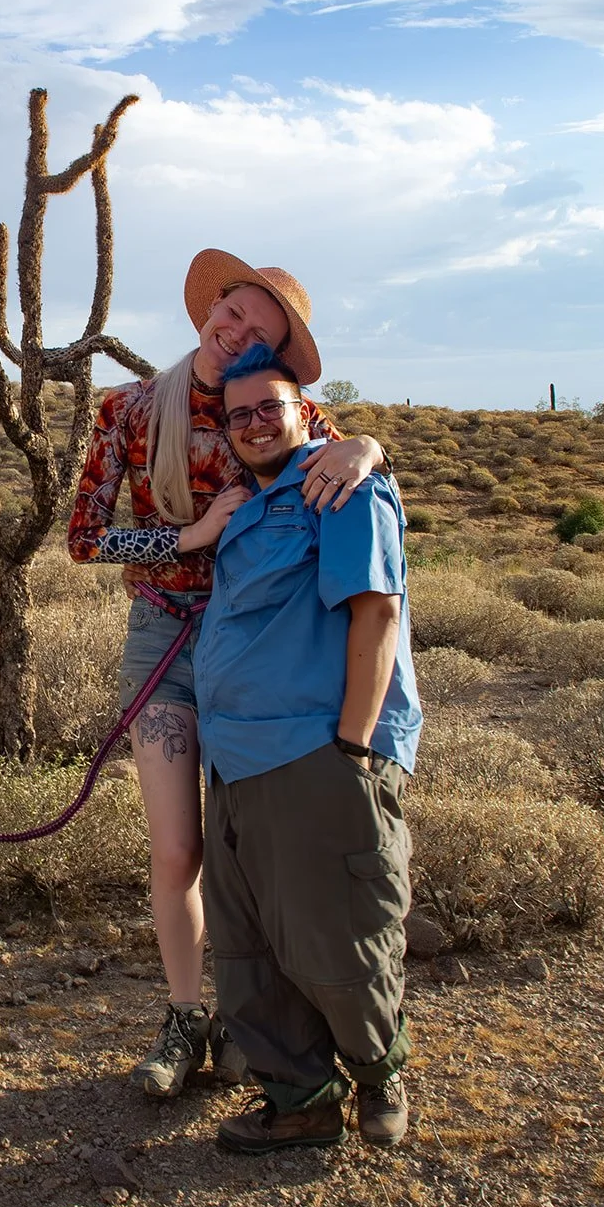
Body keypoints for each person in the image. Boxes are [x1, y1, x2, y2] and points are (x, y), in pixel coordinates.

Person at [68, 249, 389, 1098]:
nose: (235, 328)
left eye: (258, 326)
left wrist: (364, 445)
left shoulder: (286, 414)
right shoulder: (131, 409)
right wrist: (187, 536)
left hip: (267, 652)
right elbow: (83, 539)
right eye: (233, 310)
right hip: (166, 641)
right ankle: (184, 1018)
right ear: (210, 306)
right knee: (178, 847)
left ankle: (265, 1023)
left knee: (253, 852)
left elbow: (352, 472)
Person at [194, 339, 421, 1152]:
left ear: (304, 413)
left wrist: (353, 747)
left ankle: (377, 1078)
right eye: (239, 414)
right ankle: (301, 1101)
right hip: (234, 759)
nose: (255, 423)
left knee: (340, 935)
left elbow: (375, 612)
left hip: (312, 755)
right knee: (249, 946)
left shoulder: (342, 486)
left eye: (270, 408)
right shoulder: (245, 504)